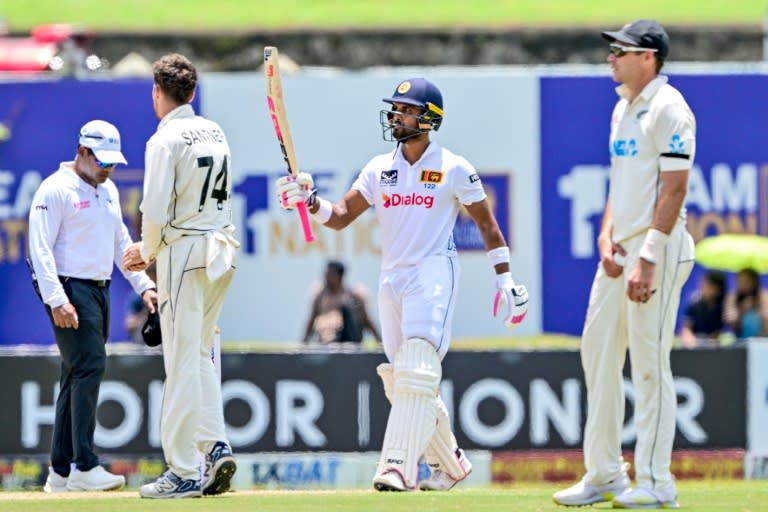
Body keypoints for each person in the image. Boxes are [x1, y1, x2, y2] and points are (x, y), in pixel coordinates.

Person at [276, 77, 529, 492]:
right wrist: (310, 201)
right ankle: (450, 463)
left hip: (433, 272)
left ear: (428, 118)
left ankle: (396, 465)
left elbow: (487, 225)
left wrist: (506, 280)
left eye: (405, 109)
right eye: (395, 108)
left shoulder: (454, 167)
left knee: (416, 367)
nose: (396, 116)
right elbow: (340, 215)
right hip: (391, 277)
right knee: (402, 379)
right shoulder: (379, 168)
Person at [553, 21, 696, 509]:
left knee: (650, 365)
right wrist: (606, 233)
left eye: (621, 50)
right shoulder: (622, 109)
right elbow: (620, 183)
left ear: (649, 57)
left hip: (658, 248)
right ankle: (606, 474)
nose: (610, 58)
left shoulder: (670, 109)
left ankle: (657, 483)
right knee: (597, 353)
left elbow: (674, 190)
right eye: (611, 50)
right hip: (619, 250)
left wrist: (649, 256)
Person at [122, 53, 240, 499]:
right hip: (222, 250)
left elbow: (153, 209)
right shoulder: (215, 130)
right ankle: (215, 446)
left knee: (181, 362)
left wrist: (146, 252)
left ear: (158, 92)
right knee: (198, 356)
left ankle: (182, 470)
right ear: (192, 93)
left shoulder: (164, 139)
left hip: (185, 253)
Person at [28, 119, 158, 493]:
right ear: (82, 151)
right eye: (102, 161)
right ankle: (84, 464)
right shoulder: (54, 190)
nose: (108, 169)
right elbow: (39, 250)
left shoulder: (109, 189)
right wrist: (57, 299)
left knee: (74, 375)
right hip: (71, 288)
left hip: (99, 288)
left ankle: (60, 474)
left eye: (112, 163)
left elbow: (122, 244)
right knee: (90, 366)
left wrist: (144, 284)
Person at [303, 260, 382, 345]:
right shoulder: (320, 296)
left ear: (339, 276)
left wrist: (379, 342)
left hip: (349, 343)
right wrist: (304, 343)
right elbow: (312, 320)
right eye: (325, 275)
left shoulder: (354, 295)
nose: (326, 278)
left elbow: (367, 320)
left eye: (330, 275)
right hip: (326, 344)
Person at [679, 270, 726, 348]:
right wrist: (691, 342)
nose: (703, 287)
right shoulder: (694, 304)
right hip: (695, 346)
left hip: (714, 349)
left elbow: (718, 332)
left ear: (717, 289)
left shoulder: (722, 306)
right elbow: (686, 328)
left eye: (707, 285)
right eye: (703, 284)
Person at [724, 267, 768, 339]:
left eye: (747, 281)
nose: (743, 284)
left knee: (752, 317)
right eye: (740, 281)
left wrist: (756, 307)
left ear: (754, 281)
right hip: (739, 337)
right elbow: (730, 321)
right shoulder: (733, 296)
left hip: (761, 337)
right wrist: (742, 309)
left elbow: (766, 317)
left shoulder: (763, 295)